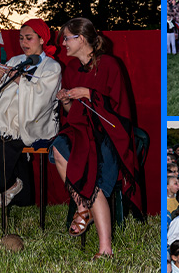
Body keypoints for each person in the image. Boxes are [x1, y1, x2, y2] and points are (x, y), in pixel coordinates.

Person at [50, 17, 142, 259]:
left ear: (81, 39)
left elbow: (119, 108)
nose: (63, 45)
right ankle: (82, 207)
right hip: (81, 131)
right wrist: (67, 101)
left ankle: (105, 249)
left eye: (66, 39)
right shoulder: (70, 69)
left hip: (110, 133)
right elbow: (73, 115)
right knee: (58, 146)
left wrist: (89, 93)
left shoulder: (110, 64)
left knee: (94, 170)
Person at [0, 18, 61, 246]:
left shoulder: (52, 67)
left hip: (31, 125)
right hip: (3, 125)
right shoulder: (16, 60)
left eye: (29, 38)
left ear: (41, 39)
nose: (23, 42)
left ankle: (10, 186)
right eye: (21, 37)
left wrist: (21, 81)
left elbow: (42, 102)